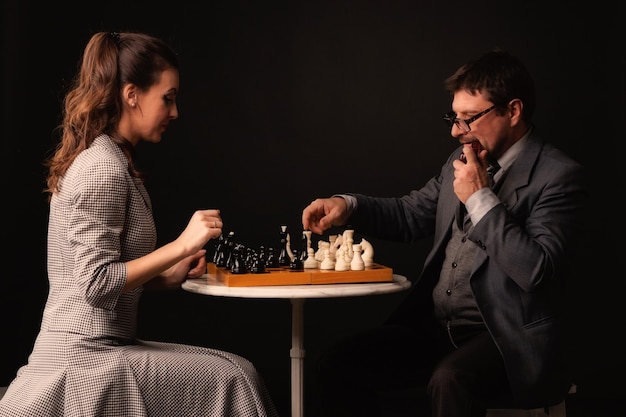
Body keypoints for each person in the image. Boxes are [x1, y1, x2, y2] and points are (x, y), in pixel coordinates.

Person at [0, 31, 278, 417]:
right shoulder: (103, 169)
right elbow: (97, 284)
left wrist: (170, 274)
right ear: (132, 95)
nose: (175, 112)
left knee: (236, 371)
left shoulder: (115, 161)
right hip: (83, 360)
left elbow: (109, 276)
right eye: (168, 97)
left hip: (107, 348)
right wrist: (180, 245)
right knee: (235, 378)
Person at [301, 49, 588, 417]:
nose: (456, 131)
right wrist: (349, 206)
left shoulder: (559, 177)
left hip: (508, 340)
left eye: (469, 118)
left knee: (449, 379)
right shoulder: (460, 160)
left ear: (513, 111)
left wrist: (481, 198)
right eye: (454, 118)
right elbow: (410, 214)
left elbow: (536, 269)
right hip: (439, 330)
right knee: (336, 365)